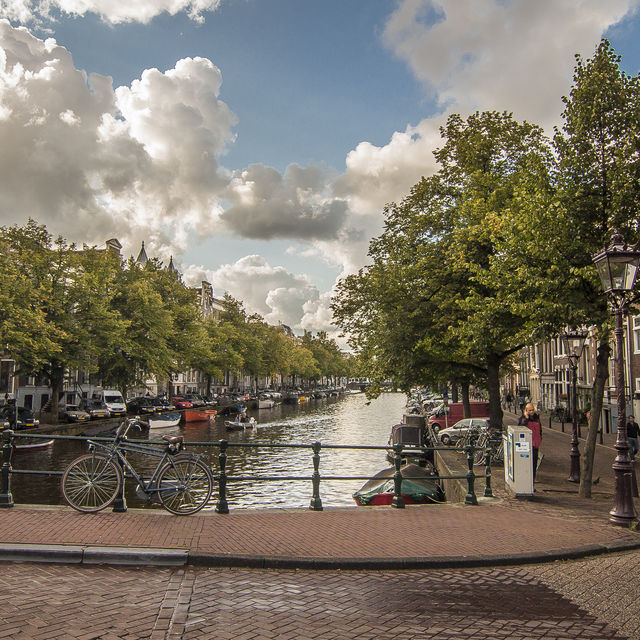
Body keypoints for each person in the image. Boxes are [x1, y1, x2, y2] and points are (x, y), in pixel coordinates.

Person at [518, 402, 542, 482]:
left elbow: (540, 430)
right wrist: (526, 418)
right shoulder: (523, 418)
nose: (532, 412)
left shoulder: (536, 418)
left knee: (534, 465)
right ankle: (526, 482)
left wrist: (539, 439)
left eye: (533, 410)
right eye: (530, 410)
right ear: (526, 410)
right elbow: (520, 428)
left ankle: (532, 482)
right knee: (526, 464)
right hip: (527, 445)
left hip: (535, 445)